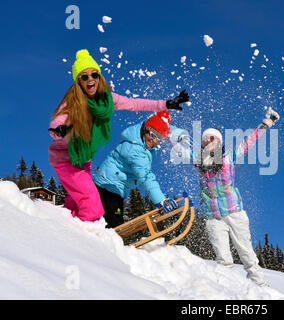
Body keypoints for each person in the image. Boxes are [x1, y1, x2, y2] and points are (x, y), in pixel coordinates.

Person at [48, 49, 189, 223]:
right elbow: (58, 121)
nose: (90, 79)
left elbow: (134, 104)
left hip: (84, 159)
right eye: (84, 77)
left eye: (94, 74)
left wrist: (165, 104)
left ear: (99, 77)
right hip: (66, 158)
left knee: (78, 201)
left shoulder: (107, 100)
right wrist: (60, 130)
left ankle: (56, 222)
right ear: (78, 82)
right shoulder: (74, 102)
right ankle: (79, 239)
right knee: (93, 209)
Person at [173, 107, 280, 286]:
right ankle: (230, 292)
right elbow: (179, 149)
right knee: (223, 260)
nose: (208, 140)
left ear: (219, 142)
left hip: (235, 214)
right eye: (205, 139)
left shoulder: (228, 159)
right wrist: (167, 132)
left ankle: (262, 290)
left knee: (247, 254)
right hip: (213, 218)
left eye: (212, 138)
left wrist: (265, 125)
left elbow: (248, 142)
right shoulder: (198, 163)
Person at [93, 111, 183, 228]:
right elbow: (146, 177)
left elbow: (161, 124)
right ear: (146, 130)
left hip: (115, 186)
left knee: (112, 218)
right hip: (108, 185)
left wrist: (179, 134)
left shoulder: (141, 135)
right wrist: (160, 200)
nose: (155, 142)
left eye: (160, 139)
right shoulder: (136, 150)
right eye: (154, 136)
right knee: (114, 223)